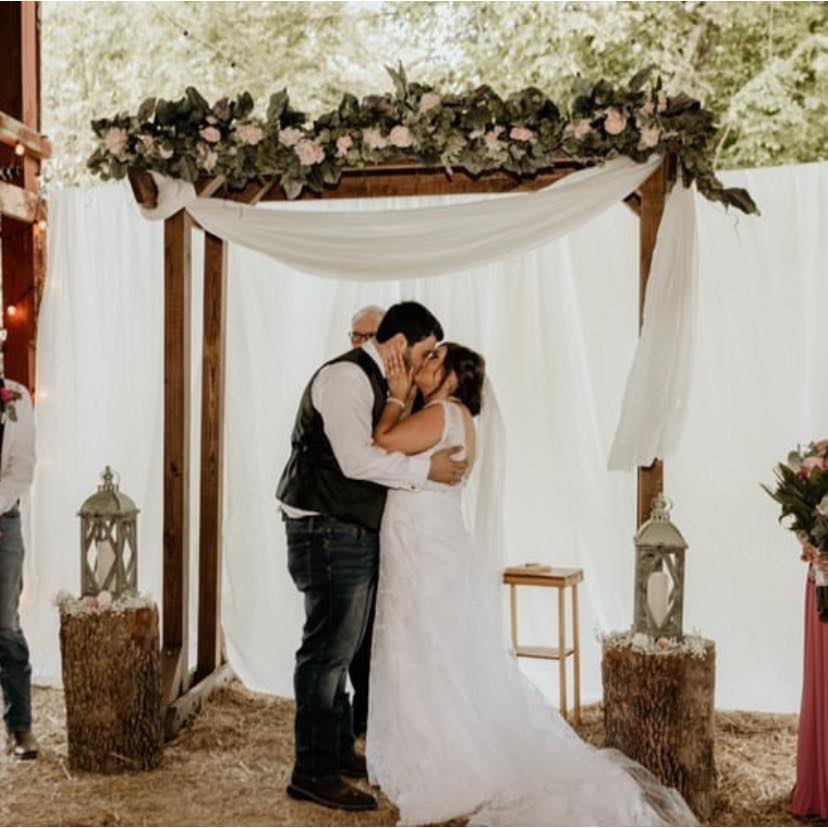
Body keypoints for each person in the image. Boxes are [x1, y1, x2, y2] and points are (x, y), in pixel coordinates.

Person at [365, 342, 696, 826]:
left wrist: (395, 398)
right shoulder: (449, 415)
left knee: (426, 649)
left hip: (426, 552)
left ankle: (448, 760)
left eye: (436, 361)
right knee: (431, 651)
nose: (422, 365)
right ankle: (434, 745)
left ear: (455, 377)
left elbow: (383, 444)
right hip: (424, 545)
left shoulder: (441, 413)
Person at [276, 301, 468, 812]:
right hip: (325, 530)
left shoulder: (383, 386)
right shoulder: (346, 379)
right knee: (326, 651)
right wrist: (426, 473)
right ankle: (311, 771)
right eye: (425, 352)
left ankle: (337, 752)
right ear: (401, 344)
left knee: (345, 648)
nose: (426, 364)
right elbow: (357, 460)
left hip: (347, 530)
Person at [346, 305, 385, 739]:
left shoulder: (400, 391)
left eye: (368, 336)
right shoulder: (349, 383)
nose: (360, 344)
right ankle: (359, 719)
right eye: (354, 336)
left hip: (394, 525)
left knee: (382, 627)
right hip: (357, 525)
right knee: (356, 632)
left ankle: (376, 715)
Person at [0, 374, 37, 760]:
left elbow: (21, 469)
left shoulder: (18, 399)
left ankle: (20, 726)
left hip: (3, 519)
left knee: (6, 625)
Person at [791, 526, 828, 821]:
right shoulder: (815, 476)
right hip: (822, 579)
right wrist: (809, 544)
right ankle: (818, 786)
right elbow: (806, 514)